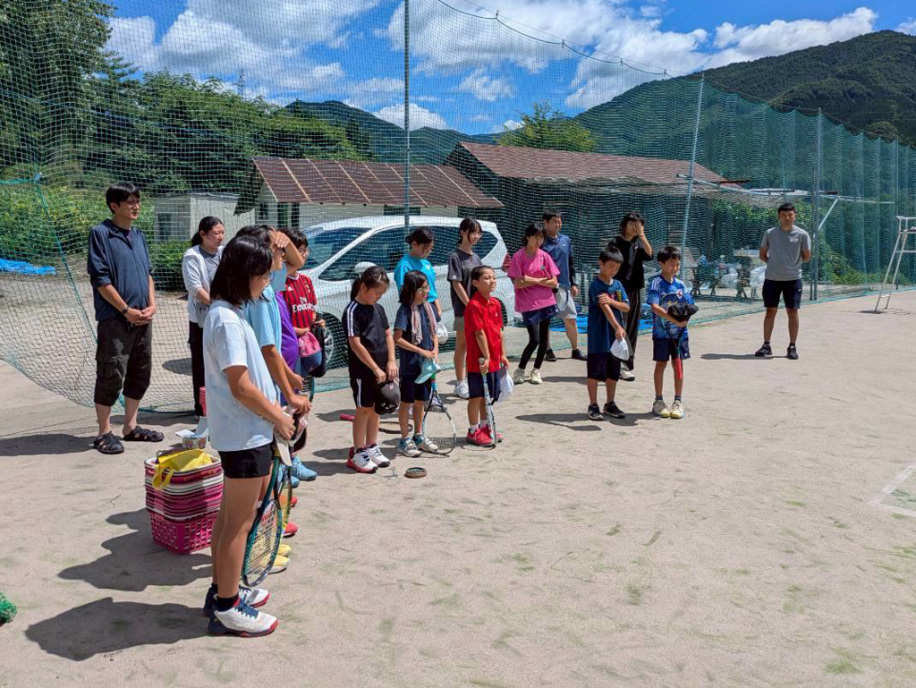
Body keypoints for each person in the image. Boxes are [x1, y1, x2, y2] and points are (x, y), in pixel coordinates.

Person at [201, 234, 295, 638]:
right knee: (238, 524)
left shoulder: (230, 312)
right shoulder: (225, 318)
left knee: (229, 520)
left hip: (246, 432)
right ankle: (227, 606)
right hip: (244, 435)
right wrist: (279, 417)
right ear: (245, 274)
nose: (268, 281)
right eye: (264, 274)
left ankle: (224, 589)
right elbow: (240, 386)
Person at [87, 182, 163, 454]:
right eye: (130, 202)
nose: (136, 206)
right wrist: (125, 310)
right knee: (111, 372)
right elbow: (100, 279)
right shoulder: (101, 234)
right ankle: (103, 433)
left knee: (140, 371)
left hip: (143, 318)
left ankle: (130, 427)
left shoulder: (139, 235)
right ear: (114, 206)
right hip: (115, 319)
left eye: (137, 201)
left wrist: (152, 305)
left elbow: (148, 274)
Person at [236, 226, 309, 419]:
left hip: (269, 382)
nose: (283, 254)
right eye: (277, 247)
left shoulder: (266, 285)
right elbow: (268, 350)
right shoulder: (260, 296)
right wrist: (290, 395)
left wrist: (286, 240)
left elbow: (298, 262)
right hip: (262, 386)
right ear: (261, 252)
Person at [343, 265, 398, 473]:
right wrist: (374, 368)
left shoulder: (379, 309)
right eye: (377, 292)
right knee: (363, 409)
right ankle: (358, 452)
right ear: (363, 287)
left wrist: (391, 361)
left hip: (383, 370)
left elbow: (387, 335)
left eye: (382, 293)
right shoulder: (352, 311)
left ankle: (372, 445)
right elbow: (355, 344)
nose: (379, 297)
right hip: (363, 372)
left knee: (377, 408)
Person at [393, 270, 440, 457]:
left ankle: (419, 436)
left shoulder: (428, 308)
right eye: (421, 289)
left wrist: (435, 350)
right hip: (410, 366)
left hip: (426, 366)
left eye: (427, 288)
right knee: (406, 403)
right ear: (411, 290)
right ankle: (405, 440)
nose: (425, 292)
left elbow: (434, 333)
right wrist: (421, 351)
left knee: (421, 401)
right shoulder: (404, 310)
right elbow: (397, 338)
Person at [755, 203, 811, 360]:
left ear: (795, 216)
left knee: (792, 312)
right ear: (779, 217)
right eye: (784, 215)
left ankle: (792, 347)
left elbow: (807, 256)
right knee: (770, 311)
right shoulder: (770, 233)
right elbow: (762, 255)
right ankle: (766, 345)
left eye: (790, 215)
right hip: (772, 279)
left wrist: (791, 266)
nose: (787, 218)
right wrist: (775, 265)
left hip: (793, 279)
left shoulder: (802, 234)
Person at [182, 216, 225, 418]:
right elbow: (195, 288)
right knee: (202, 365)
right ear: (203, 234)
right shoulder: (192, 256)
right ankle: (202, 412)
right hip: (202, 320)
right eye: (216, 233)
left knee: (222, 363)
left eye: (222, 232)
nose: (220, 237)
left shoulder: (224, 253)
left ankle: (222, 407)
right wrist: (216, 306)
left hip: (224, 317)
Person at [508, 223, 559, 386]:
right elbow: (518, 283)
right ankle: (520, 370)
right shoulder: (518, 257)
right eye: (535, 237)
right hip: (528, 304)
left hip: (547, 302)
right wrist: (540, 281)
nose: (538, 240)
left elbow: (553, 282)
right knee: (534, 339)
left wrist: (531, 280)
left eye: (541, 237)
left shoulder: (545, 256)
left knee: (544, 341)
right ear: (528, 237)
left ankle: (536, 370)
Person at [464, 266, 509, 446]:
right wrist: (487, 356)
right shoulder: (474, 305)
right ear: (476, 283)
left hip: (494, 359)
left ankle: (484, 427)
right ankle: (473, 430)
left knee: (487, 395)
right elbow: (479, 333)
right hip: (479, 360)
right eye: (487, 278)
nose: (492, 281)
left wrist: (502, 354)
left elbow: (500, 330)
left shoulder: (496, 303)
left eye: (494, 277)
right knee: (476, 396)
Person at [647, 246, 694, 420]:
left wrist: (685, 320)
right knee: (661, 364)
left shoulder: (681, 285)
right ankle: (658, 401)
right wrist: (673, 320)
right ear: (661, 264)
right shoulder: (656, 283)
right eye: (671, 264)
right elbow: (654, 306)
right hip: (661, 334)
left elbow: (690, 305)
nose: (675, 268)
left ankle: (678, 402)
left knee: (678, 364)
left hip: (680, 335)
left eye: (677, 264)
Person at [586, 248, 630, 421]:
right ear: (601, 263)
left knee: (613, 371)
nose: (613, 270)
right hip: (598, 337)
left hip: (615, 339)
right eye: (611, 266)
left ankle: (610, 403)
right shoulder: (595, 285)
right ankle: (593, 405)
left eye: (617, 268)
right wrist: (617, 326)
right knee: (594, 372)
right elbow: (605, 309)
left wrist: (612, 301)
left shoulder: (618, 285)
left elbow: (626, 307)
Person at [608, 211, 653, 381]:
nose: (635, 227)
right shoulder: (615, 242)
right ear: (624, 225)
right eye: (632, 223)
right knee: (620, 326)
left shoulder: (638, 244)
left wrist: (642, 235)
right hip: (619, 290)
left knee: (632, 327)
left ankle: (626, 363)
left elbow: (650, 255)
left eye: (638, 224)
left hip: (635, 290)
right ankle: (615, 363)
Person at [541, 211, 586, 362]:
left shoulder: (566, 240)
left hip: (564, 287)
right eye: (554, 221)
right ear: (545, 223)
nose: (558, 224)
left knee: (571, 318)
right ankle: (547, 350)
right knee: (545, 321)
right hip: (545, 287)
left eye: (559, 221)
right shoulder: (539, 240)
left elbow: (571, 262)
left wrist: (574, 283)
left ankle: (575, 350)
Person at [447, 218, 483, 399]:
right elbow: (456, 284)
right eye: (473, 232)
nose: (476, 236)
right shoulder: (455, 256)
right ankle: (460, 383)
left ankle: (470, 381)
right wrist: (470, 305)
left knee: (474, 346)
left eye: (478, 233)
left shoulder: (476, 258)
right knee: (462, 345)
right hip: (463, 310)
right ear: (462, 233)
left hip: (476, 309)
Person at [394, 227, 441, 316]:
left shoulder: (426, 263)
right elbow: (404, 294)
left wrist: (438, 310)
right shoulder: (404, 266)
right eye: (425, 248)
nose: (428, 252)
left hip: (432, 308)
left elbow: (432, 289)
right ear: (414, 244)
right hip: (417, 309)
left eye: (431, 249)